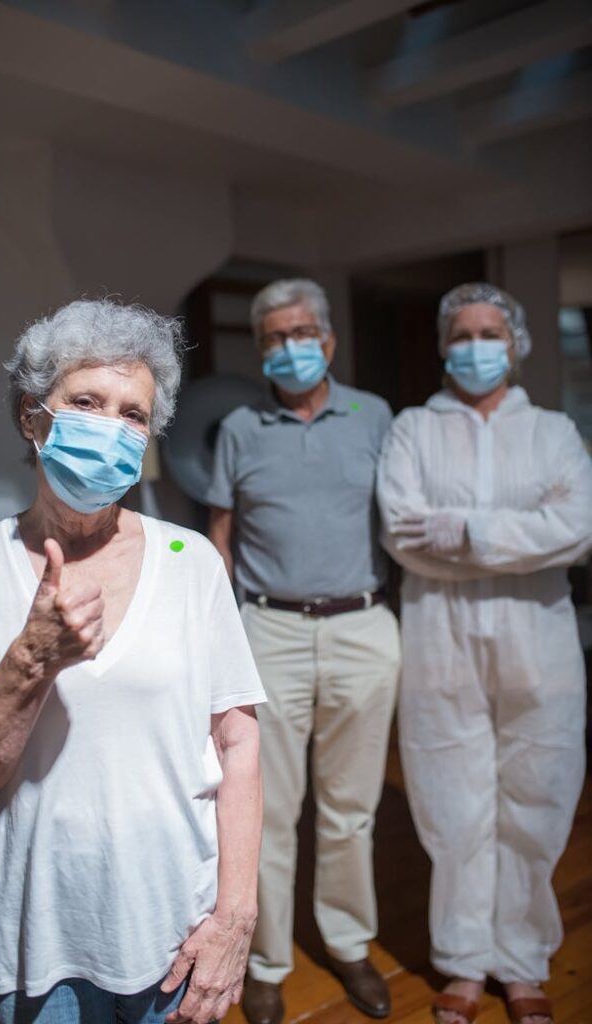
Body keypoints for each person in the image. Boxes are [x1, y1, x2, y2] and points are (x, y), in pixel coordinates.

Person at [0, 298, 267, 1024]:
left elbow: (237, 742)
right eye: (85, 401)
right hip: (33, 940)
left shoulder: (192, 561)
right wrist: (33, 659)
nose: (111, 426)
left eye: (132, 414)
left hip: (177, 928)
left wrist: (235, 919)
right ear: (32, 417)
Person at [376, 283, 592, 1024]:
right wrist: (514, 536)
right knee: (449, 798)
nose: (474, 344)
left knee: (540, 794)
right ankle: (465, 962)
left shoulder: (555, 432)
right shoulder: (411, 429)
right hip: (440, 633)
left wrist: (464, 535)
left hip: (540, 636)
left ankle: (524, 962)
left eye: (489, 330)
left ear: (516, 341)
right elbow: (402, 534)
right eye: (461, 332)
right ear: (442, 345)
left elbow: (577, 527)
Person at [207, 279, 401, 1023]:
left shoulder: (375, 416)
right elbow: (220, 536)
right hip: (269, 631)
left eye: (300, 334)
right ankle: (264, 961)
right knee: (265, 808)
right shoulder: (237, 427)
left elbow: (400, 519)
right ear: (259, 349)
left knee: (351, 808)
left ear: (327, 340)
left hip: (361, 625)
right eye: (273, 338)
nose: (289, 348)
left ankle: (349, 945)